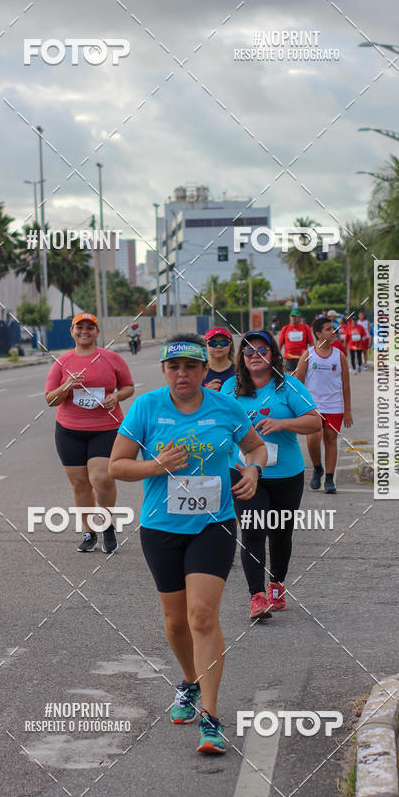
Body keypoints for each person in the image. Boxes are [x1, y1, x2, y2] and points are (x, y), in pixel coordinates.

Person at [109, 333, 267, 755]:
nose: (183, 374)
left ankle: (212, 718)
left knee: (201, 616)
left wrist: (253, 470)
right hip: (161, 527)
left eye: (191, 367)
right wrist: (154, 465)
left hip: (213, 523)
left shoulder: (225, 406)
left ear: (204, 369)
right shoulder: (147, 406)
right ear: (163, 370)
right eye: (174, 367)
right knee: (176, 621)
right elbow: (116, 466)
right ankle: (190, 681)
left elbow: (254, 447)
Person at [221, 330, 321, 620]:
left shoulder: (288, 385)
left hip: (286, 474)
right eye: (249, 351)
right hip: (244, 472)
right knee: (252, 530)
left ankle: (276, 586)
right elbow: (213, 420)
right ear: (241, 357)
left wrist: (282, 423)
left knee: (279, 532)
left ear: (273, 354)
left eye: (261, 350)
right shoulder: (230, 388)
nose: (255, 355)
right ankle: (257, 596)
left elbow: (315, 421)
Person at [45, 313, 135, 554]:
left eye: (90, 327)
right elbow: (50, 400)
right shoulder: (62, 362)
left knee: (102, 479)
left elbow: (128, 387)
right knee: (80, 484)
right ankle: (89, 532)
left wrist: (116, 396)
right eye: (79, 327)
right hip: (69, 431)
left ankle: (106, 525)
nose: (84, 331)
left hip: (106, 429)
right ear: (72, 331)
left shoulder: (111, 358)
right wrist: (66, 387)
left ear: (96, 332)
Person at [296, 317, 353, 494]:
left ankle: (329, 478)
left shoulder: (339, 356)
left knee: (330, 439)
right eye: (329, 329)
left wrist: (348, 410)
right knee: (313, 439)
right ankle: (317, 467)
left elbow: (346, 384)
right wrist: (297, 407)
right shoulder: (308, 355)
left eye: (334, 329)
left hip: (334, 406)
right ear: (319, 334)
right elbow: (298, 381)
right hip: (312, 407)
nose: (333, 332)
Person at [277, 309, 314, 374]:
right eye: (292, 316)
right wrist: (277, 356)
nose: (293, 318)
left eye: (295, 316)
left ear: (300, 317)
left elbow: (311, 343)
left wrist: (314, 355)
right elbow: (280, 344)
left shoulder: (305, 327)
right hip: (289, 359)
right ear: (290, 317)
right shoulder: (285, 328)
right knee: (290, 377)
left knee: (301, 376)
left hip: (302, 358)